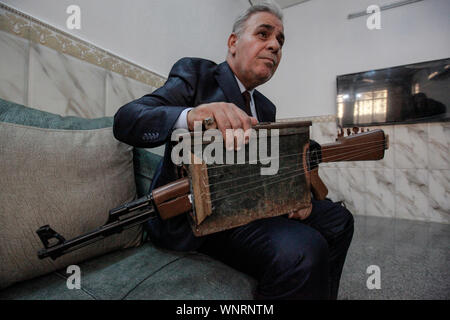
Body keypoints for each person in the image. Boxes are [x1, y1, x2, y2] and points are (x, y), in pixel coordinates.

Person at [113, 2, 354, 300]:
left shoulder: (266, 107)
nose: (275, 46)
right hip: (200, 218)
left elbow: (267, 168)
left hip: (251, 208)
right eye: (263, 34)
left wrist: (295, 196)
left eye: (280, 40)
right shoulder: (196, 74)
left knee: (339, 220)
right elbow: (127, 120)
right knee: (304, 249)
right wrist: (191, 115)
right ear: (233, 43)